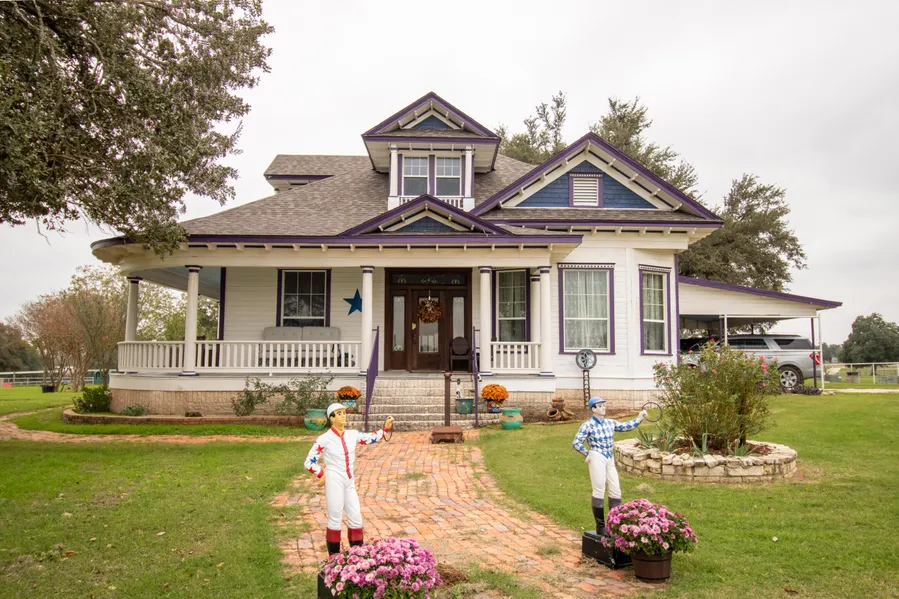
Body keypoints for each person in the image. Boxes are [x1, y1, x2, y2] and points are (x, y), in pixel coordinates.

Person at [304, 403, 394, 555]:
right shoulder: (324, 439)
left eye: (344, 413)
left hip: (349, 481)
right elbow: (309, 462)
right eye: (339, 414)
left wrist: (385, 428)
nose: (343, 416)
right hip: (334, 480)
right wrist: (321, 474)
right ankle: (334, 558)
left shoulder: (352, 434)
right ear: (331, 418)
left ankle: (357, 557)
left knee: (356, 517)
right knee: (335, 518)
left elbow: (370, 438)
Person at [572, 397, 647, 536]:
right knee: (599, 489)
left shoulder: (610, 423)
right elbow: (576, 443)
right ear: (593, 409)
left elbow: (625, 426)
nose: (603, 408)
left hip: (609, 458)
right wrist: (588, 453)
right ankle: (600, 526)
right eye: (600, 406)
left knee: (615, 489)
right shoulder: (588, 425)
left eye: (604, 405)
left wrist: (639, 418)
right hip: (597, 456)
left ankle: (614, 524)